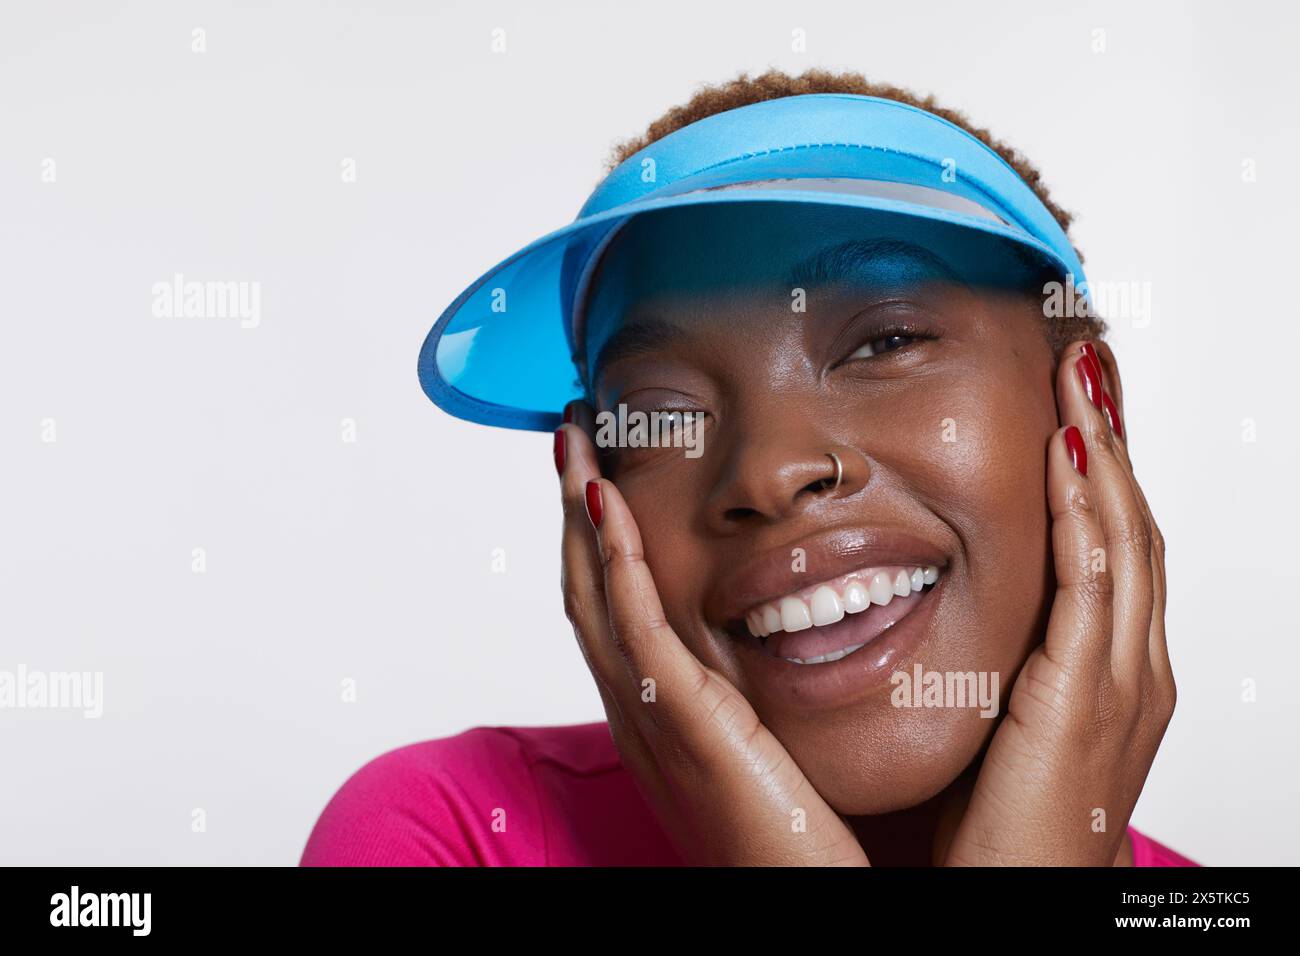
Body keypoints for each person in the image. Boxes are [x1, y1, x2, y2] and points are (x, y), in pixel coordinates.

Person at [302, 69, 1196, 866]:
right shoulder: (444, 834)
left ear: (1093, 412)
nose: (769, 472)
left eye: (885, 341)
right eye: (660, 415)